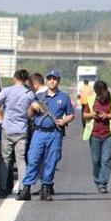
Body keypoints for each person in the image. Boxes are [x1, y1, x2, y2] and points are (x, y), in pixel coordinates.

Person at [17, 69, 75, 201]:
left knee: (51, 161)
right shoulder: (38, 96)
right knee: (33, 159)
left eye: (54, 79)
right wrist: (33, 107)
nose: (52, 81)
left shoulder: (64, 97)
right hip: (39, 132)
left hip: (55, 133)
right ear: (47, 81)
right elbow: (29, 115)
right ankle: (26, 189)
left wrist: (65, 120)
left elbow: (71, 114)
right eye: (49, 78)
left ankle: (46, 188)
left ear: (58, 81)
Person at [0, 69, 35, 196]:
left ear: (14, 78)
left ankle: (3, 187)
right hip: (22, 130)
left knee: (5, 159)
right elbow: (33, 110)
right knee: (21, 160)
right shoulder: (29, 93)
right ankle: (23, 188)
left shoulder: (7, 91)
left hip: (7, 129)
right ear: (26, 80)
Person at [82, 80, 111, 193]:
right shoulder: (91, 99)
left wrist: (108, 116)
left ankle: (103, 184)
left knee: (106, 160)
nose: (100, 98)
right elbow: (85, 115)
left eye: (102, 95)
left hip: (109, 135)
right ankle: (97, 181)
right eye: (98, 95)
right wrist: (93, 115)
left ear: (106, 90)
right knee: (96, 160)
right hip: (94, 134)